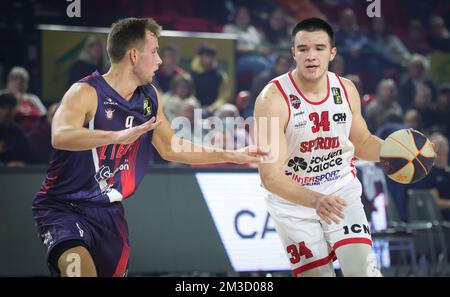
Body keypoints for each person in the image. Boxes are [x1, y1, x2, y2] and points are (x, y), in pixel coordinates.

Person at [32, 18, 270, 277]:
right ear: (134, 55)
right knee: (78, 269)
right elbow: (61, 135)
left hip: (109, 211)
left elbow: (171, 148)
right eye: (155, 51)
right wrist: (116, 136)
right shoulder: (85, 92)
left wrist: (231, 155)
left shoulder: (149, 96)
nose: (159, 61)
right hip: (63, 206)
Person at [254, 18, 385, 277]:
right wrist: (315, 200)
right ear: (293, 53)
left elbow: (363, 142)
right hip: (293, 201)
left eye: (319, 48)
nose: (311, 56)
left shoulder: (346, 89)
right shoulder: (272, 98)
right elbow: (270, 176)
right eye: (303, 49)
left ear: (332, 53)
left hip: (339, 190)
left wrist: (400, 151)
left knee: (362, 271)